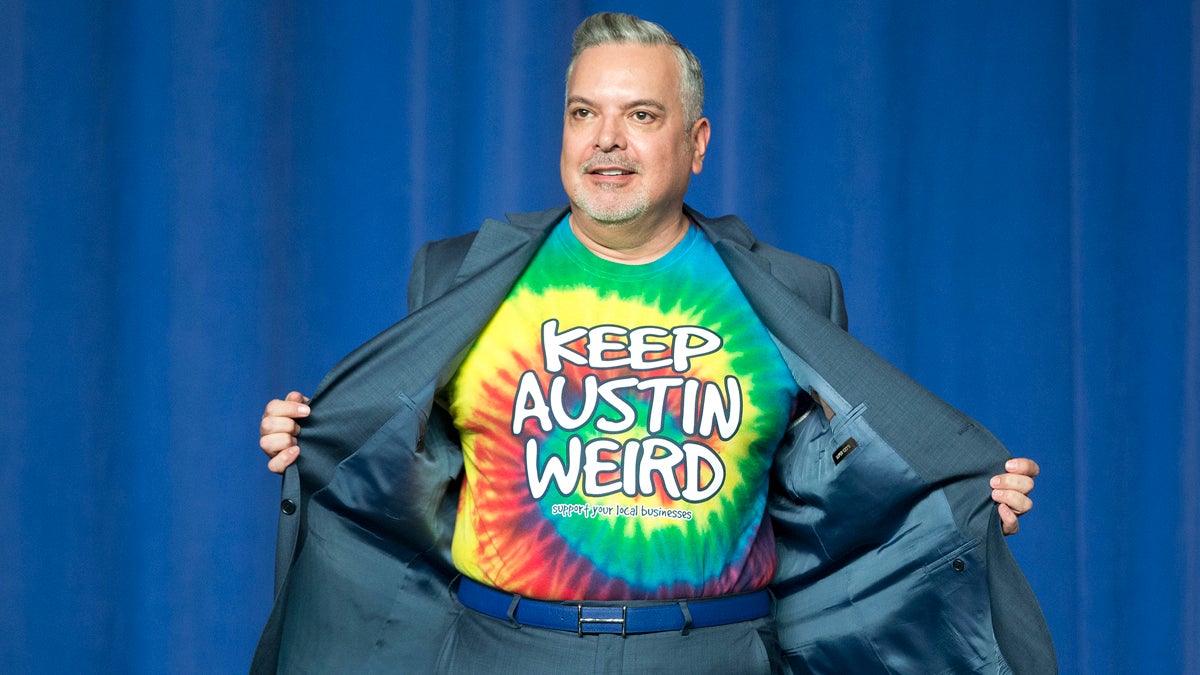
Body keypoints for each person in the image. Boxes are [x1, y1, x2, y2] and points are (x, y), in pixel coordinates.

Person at [252, 12, 1054, 674]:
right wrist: (313, 434)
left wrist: (954, 503)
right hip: (503, 650)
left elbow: (835, 496)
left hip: (714, 652)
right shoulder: (457, 274)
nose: (607, 140)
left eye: (641, 115)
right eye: (583, 113)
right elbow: (398, 468)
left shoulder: (793, 292)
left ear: (697, 143)